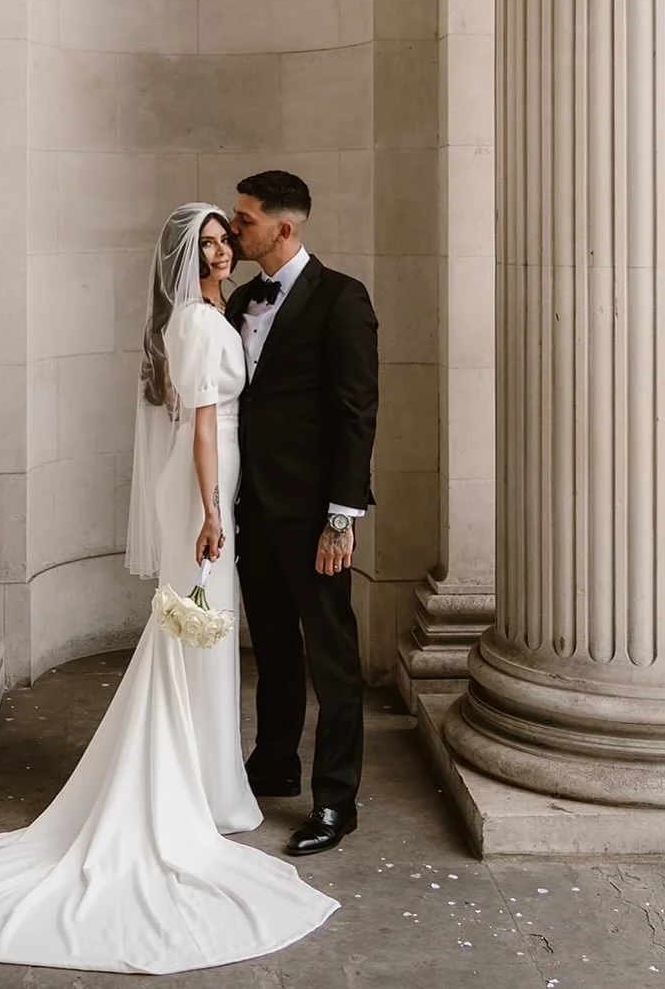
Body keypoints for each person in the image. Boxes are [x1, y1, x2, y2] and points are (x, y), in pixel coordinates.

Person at [0, 204, 338, 974]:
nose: (223, 251)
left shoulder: (197, 315)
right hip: (202, 485)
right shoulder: (200, 326)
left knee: (195, 629)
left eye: (225, 240)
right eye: (208, 244)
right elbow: (202, 426)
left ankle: (204, 779)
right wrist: (209, 512)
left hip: (208, 481)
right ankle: (188, 789)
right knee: (196, 626)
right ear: (185, 257)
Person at [228, 172, 378, 857]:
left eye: (245, 219)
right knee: (274, 648)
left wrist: (340, 519)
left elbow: (354, 413)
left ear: (283, 228)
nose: (235, 231)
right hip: (251, 508)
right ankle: (273, 762)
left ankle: (334, 801)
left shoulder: (341, 299)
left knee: (332, 657)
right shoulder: (239, 300)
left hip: (315, 514)